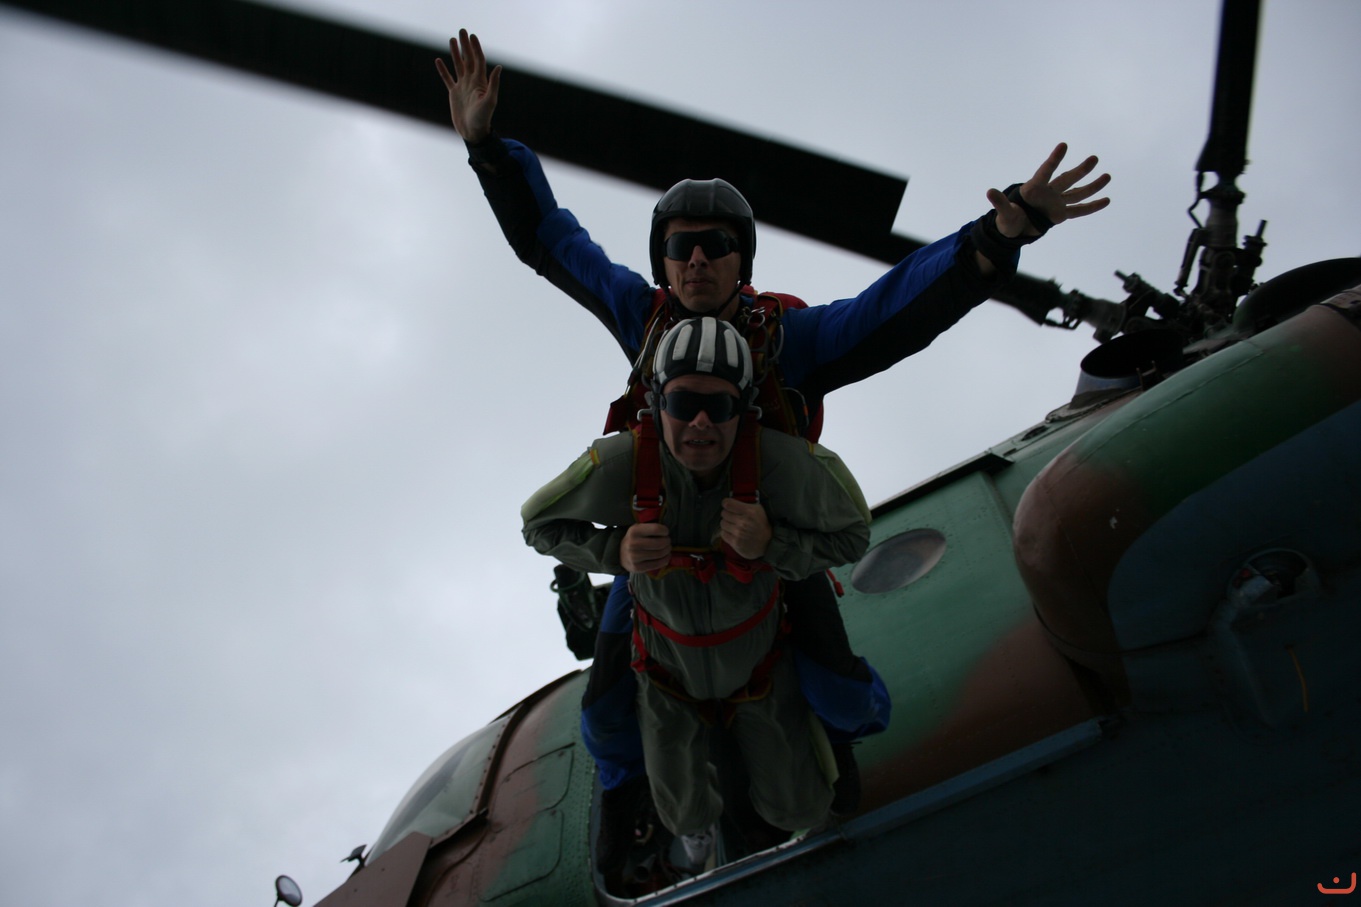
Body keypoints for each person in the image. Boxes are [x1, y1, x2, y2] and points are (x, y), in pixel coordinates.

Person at [437, 24, 1109, 832]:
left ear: (740, 261)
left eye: (715, 245)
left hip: (769, 545)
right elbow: (554, 242)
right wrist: (487, 151)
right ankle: (636, 810)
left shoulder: (791, 340)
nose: (696, 260)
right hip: (658, 547)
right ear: (662, 262)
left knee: (837, 688)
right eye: (680, 247)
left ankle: (832, 761)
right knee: (607, 710)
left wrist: (994, 238)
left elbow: (893, 309)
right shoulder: (641, 318)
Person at [522, 317, 872, 876]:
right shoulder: (624, 464)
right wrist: (617, 551)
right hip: (666, 677)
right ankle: (675, 820)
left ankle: (831, 764)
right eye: (684, 403)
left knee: (801, 805)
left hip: (760, 671)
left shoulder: (782, 465)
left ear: (745, 409)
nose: (701, 422)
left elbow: (852, 535)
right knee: (678, 807)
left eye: (720, 405)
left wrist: (772, 543)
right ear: (658, 403)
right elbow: (538, 524)